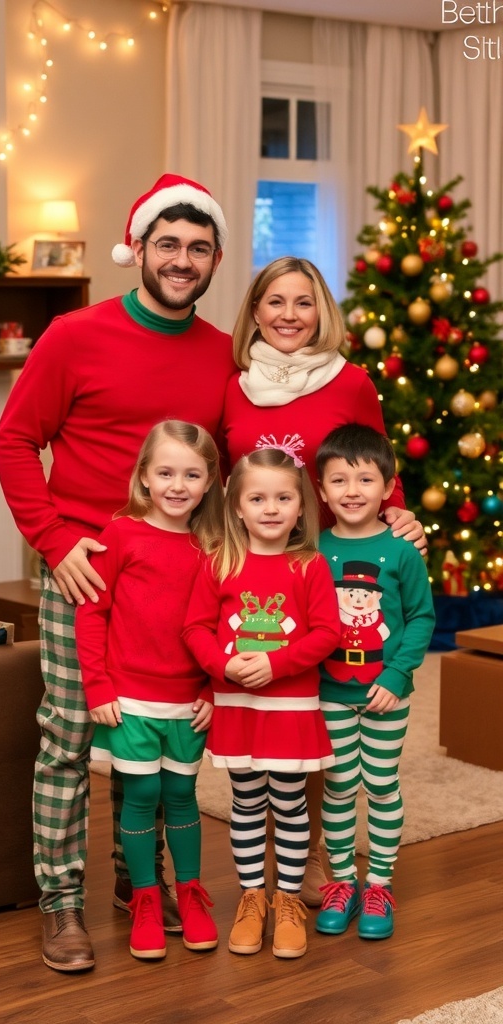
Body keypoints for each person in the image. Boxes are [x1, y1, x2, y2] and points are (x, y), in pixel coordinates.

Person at [0, 174, 236, 972]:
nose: (182, 259)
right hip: (87, 574)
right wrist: (56, 542)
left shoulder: (222, 355)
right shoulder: (73, 335)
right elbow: (14, 442)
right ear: (139, 248)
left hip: (177, 578)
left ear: (215, 260)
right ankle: (62, 903)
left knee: (164, 743)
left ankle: (143, 886)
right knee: (70, 738)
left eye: (198, 248)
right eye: (168, 243)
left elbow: (242, 462)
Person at [222, 256, 427, 907]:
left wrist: (401, 514)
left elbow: (377, 461)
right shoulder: (233, 385)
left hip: (335, 559)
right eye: (275, 301)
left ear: (322, 313)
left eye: (303, 302)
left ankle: (315, 858)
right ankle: (275, 851)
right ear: (254, 310)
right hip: (264, 562)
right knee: (278, 704)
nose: (288, 314)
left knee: (320, 709)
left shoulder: (351, 382)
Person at [183, 446, 341, 959]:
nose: (270, 508)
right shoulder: (220, 562)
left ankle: (289, 900)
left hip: (291, 705)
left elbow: (326, 633)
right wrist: (221, 665)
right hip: (237, 706)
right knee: (247, 803)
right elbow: (196, 628)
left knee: (290, 803)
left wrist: (277, 664)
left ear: (301, 507)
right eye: (258, 498)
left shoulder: (309, 565)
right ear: (236, 506)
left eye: (283, 498)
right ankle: (254, 897)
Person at [75, 420, 222, 960]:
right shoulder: (120, 534)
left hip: (188, 700)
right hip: (129, 698)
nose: (177, 485)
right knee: (139, 796)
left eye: (191, 473)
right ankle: (142, 900)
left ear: (210, 482)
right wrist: (98, 686)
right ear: (144, 478)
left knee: (182, 795)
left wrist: (212, 691)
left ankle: (191, 893)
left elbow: (225, 624)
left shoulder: (214, 545)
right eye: (165, 472)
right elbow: (93, 613)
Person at [314, 423, 435, 940]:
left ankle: (379, 883)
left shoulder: (403, 552)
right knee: (339, 787)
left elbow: (422, 617)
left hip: (387, 693)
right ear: (321, 491)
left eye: (365, 480)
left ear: (388, 487)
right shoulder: (313, 550)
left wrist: (397, 672)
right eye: (339, 481)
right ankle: (342, 882)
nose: (352, 491)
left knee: (381, 785)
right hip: (330, 692)